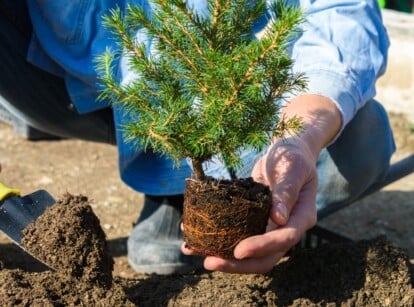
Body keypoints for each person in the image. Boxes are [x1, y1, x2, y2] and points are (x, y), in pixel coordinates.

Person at [0, 0, 395, 275]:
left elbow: (340, 12)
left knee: (360, 137)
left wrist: (300, 138)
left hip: (239, 101)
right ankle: (175, 186)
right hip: (75, 82)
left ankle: (192, 199)